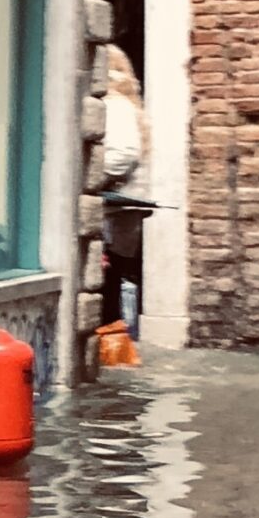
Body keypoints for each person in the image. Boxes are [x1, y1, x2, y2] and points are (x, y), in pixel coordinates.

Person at [99, 47, 149, 340]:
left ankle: (109, 352)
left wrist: (85, 182)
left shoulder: (114, 105)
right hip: (118, 219)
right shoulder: (124, 105)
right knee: (112, 283)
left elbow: (122, 155)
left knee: (109, 284)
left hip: (111, 217)